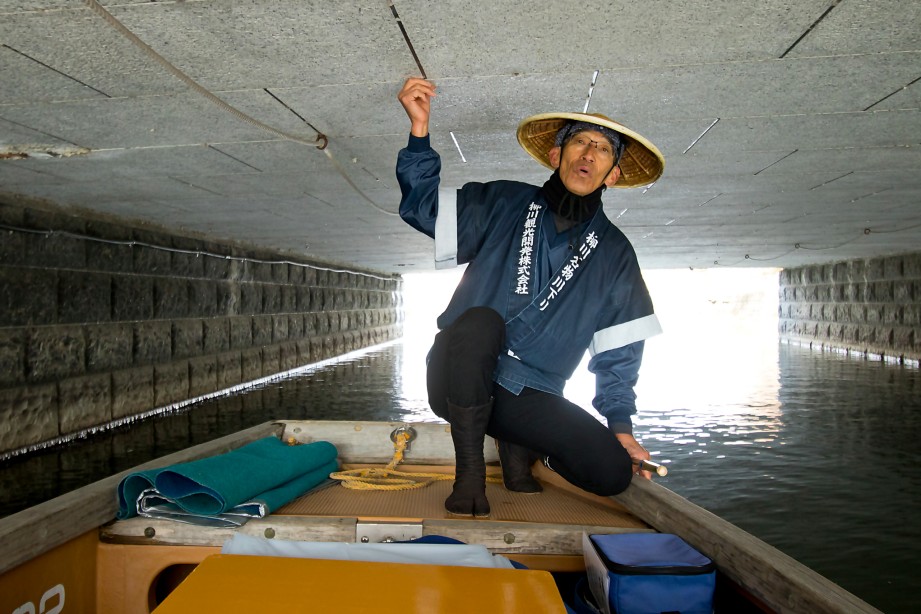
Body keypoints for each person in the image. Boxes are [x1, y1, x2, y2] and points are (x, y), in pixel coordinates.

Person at [396, 77, 666, 518]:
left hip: (529, 393)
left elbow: (620, 352)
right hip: (456, 373)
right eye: (580, 142)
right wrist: (420, 131)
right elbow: (423, 208)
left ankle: (520, 445)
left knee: (610, 472)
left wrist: (620, 426)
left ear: (612, 174)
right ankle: (469, 476)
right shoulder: (505, 201)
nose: (589, 153)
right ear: (557, 155)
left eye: (603, 149)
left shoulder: (616, 253)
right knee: (481, 322)